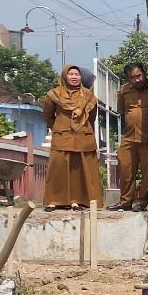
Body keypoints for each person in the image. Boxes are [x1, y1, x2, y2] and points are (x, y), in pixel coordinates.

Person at [39, 65, 101, 211]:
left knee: (79, 170)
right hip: (62, 136)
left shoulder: (89, 96)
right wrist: (59, 127)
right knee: (57, 168)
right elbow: (48, 116)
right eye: (71, 74)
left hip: (83, 137)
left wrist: (83, 128)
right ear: (64, 76)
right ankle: (53, 201)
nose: (74, 77)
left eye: (77, 74)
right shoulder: (54, 94)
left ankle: (76, 201)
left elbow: (92, 118)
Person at [112, 63, 148, 212]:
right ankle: (125, 202)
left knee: (147, 171)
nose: (137, 80)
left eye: (138, 76)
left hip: (147, 137)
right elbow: (122, 110)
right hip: (129, 136)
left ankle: (142, 201)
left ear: (144, 73)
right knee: (125, 169)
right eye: (132, 78)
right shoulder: (124, 90)